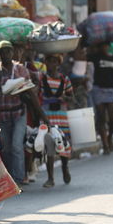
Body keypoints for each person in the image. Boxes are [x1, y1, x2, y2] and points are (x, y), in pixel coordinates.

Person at [0, 40, 47, 186]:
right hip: (3, 115)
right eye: (3, 52)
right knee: (6, 148)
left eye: (9, 51)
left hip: (19, 113)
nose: (6, 54)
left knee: (16, 146)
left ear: (12, 53)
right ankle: (10, 178)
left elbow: (31, 93)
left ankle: (19, 179)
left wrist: (42, 115)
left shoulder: (20, 70)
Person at [39, 54, 74, 188]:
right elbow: (38, 97)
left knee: (63, 143)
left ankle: (65, 167)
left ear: (58, 64)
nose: (52, 64)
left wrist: (65, 98)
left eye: (55, 62)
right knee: (49, 145)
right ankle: (50, 178)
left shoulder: (64, 80)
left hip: (61, 117)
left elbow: (72, 97)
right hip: (47, 116)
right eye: (50, 61)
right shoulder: (41, 79)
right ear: (46, 62)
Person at [88, 42, 113, 154]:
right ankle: (105, 143)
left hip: (110, 90)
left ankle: (109, 137)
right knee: (101, 117)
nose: (105, 47)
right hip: (98, 89)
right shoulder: (95, 56)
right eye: (103, 45)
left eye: (106, 45)